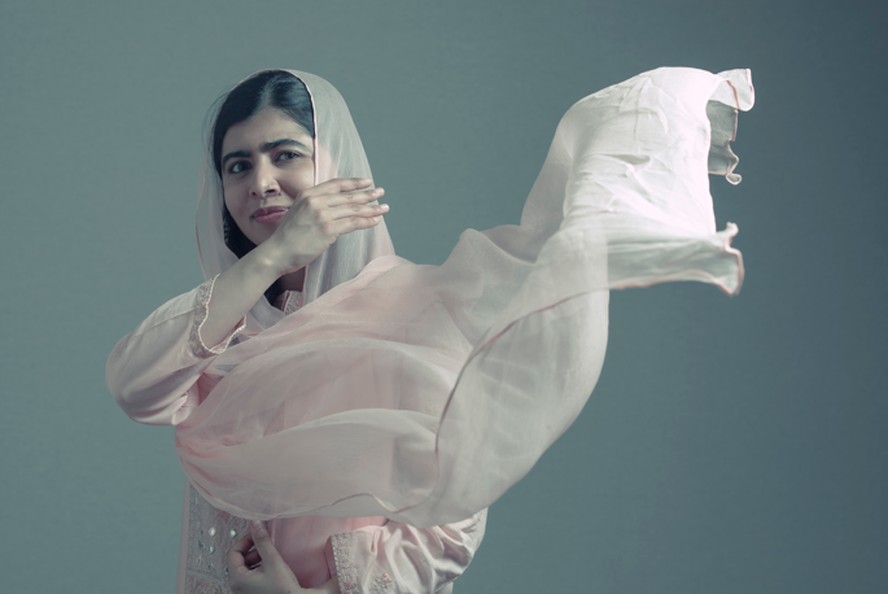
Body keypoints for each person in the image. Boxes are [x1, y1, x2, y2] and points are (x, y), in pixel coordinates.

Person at [108, 67, 754, 593]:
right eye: (238, 166)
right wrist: (274, 257)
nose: (262, 183)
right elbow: (136, 388)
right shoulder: (224, 332)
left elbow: (451, 525)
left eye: (286, 156)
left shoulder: (410, 311)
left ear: (337, 166)